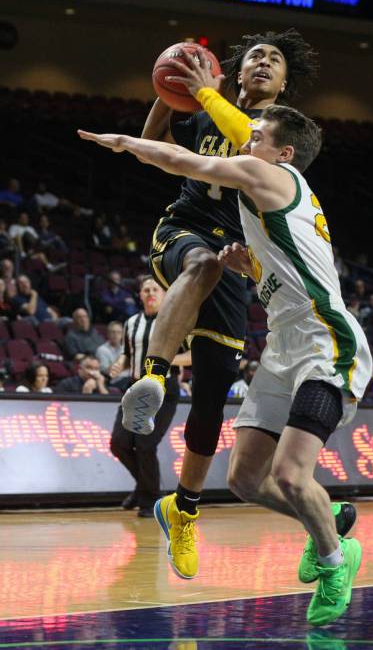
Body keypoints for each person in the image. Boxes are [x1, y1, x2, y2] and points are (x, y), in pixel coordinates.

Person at [78, 103, 372, 626]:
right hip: (282, 347)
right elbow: (289, 271)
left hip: (324, 341)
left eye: (255, 135)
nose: (244, 140)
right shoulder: (267, 202)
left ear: (283, 153)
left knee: (290, 473)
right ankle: (326, 528)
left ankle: (335, 561)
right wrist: (252, 269)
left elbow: (182, 161)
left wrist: (126, 142)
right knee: (244, 479)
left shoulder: (268, 173)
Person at [80, 29, 320, 581]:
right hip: (185, 231)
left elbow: (245, 132)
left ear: (285, 83)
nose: (263, 62)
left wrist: (206, 92)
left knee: (213, 392)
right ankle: (155, 377)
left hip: (239, 257)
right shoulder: (206, 112)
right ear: (235, 72)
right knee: (202, 265)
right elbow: (155, 141)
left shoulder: (278, 133)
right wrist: (172, 85)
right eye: (255, 55)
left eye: (275, 60)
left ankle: (182, 508)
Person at [109, 276, 191, 517]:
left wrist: (168, 359)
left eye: (155, 288)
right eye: (145, 289)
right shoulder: (131, 322)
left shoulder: (176, 320)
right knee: (119, 443)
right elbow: (128, 354)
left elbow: (192, 355)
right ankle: (145, 488)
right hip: (135, 386)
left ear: (164, 294)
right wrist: (119, 364)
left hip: (163, 389)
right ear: (140, 294)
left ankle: (150, 500)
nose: (150, 292)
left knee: (145, 444)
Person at [96, 320, 129, 389]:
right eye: (113, 332)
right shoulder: (102, 350)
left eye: (119, 332)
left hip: (128, 377)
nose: (116, 335)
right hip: (112, 381)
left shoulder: (124, 348)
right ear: (108, 334)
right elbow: (108, 372)